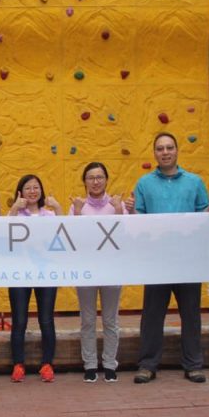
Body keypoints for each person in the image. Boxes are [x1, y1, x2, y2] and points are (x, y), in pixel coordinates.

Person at [132, 133, 209, 384]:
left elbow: (205, 217)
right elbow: (138, 222)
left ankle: (193, 365)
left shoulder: (194, 182)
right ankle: (147, 365)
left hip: (188, 259)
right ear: (154, 153)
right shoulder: (144, 184)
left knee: (191, 313)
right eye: (160, 148)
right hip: (157, 261)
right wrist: (129, 210)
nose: (165, 152)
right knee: (152, 314)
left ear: (177, 151)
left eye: (169, 147)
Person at [69, 162, 133, 383]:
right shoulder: (78, 205)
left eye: (99, 177)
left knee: (110, 319)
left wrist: (118, 210)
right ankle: (89, 364)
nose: (95, 181)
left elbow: (124, 235)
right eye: (90, 177)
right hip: (86, 269)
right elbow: (73, 239)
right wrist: (77, 211)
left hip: (112, 269)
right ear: (84, 181)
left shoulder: (117, 204)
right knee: (87, 319)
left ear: (106, 180)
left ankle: (109, 364)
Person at [6, 174, 62, 382]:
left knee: (46, 320)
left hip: (46, 274)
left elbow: (64, 235)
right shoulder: (16, 215)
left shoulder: (49, 215)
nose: (32, 191)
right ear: (20, 191)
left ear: (41, 191)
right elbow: (4, 234)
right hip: (19, 274)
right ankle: (18, 364)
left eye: (36, 187)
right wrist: (13, 209)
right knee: (19, 320)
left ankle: (47, 364)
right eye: (28, 188)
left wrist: (57, 209)